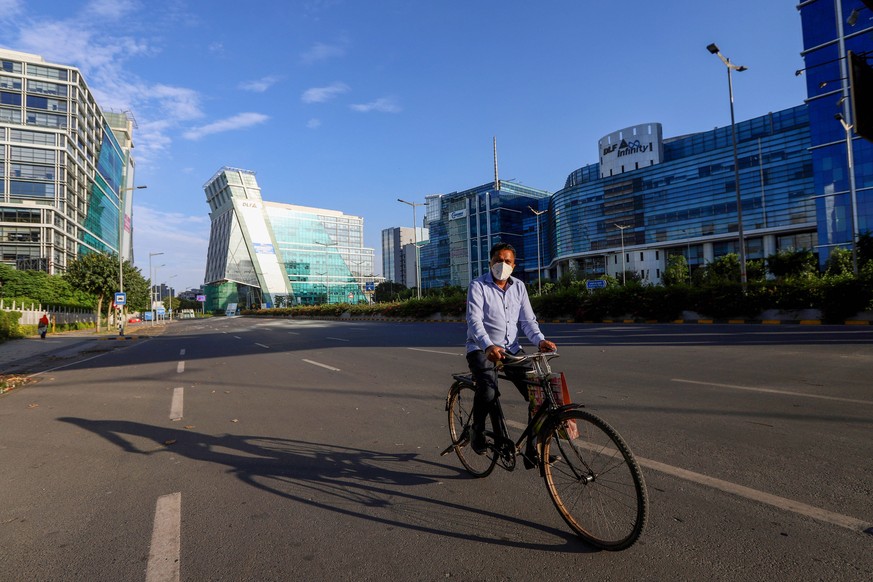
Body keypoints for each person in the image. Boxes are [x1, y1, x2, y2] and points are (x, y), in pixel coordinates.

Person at [465, 242, 557, 467]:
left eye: (507, 261)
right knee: (487, 391)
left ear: (513, 266)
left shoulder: (519, 287)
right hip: (481, 348)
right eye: (498, 260)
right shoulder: (478, 285)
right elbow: (474, 320)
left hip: (512, 350)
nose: (502, 264)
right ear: (490, 263)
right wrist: (488, 346)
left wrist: (540, 340)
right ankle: (477, 432)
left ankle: (532, 451)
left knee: (538, 397)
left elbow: (527, 321)